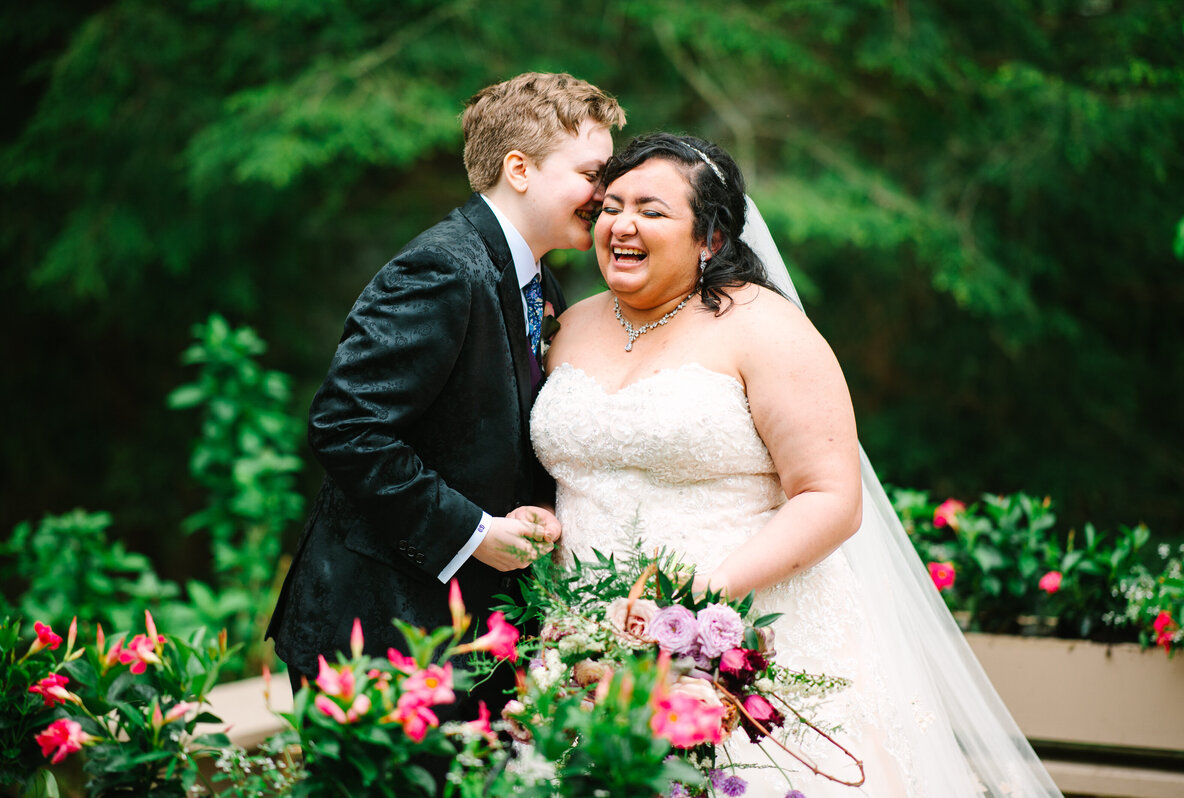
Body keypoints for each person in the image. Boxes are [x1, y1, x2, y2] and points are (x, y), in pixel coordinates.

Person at [530, 133, 1064, 796]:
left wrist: (701, 606)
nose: (623, 224)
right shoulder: (567, 325)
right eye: (611, 206)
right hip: (586, 647)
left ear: (711, 239)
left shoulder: (768, 331)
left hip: (745, 643)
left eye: (652, 210)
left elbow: (830, 498)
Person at [266, 72, 626, 718]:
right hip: (374, 638)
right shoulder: (442, 269)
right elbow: (347, 427)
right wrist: (475, 532)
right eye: (592, 174)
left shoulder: (536, 281)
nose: (607, 195)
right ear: (519, 169)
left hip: (457, 639)